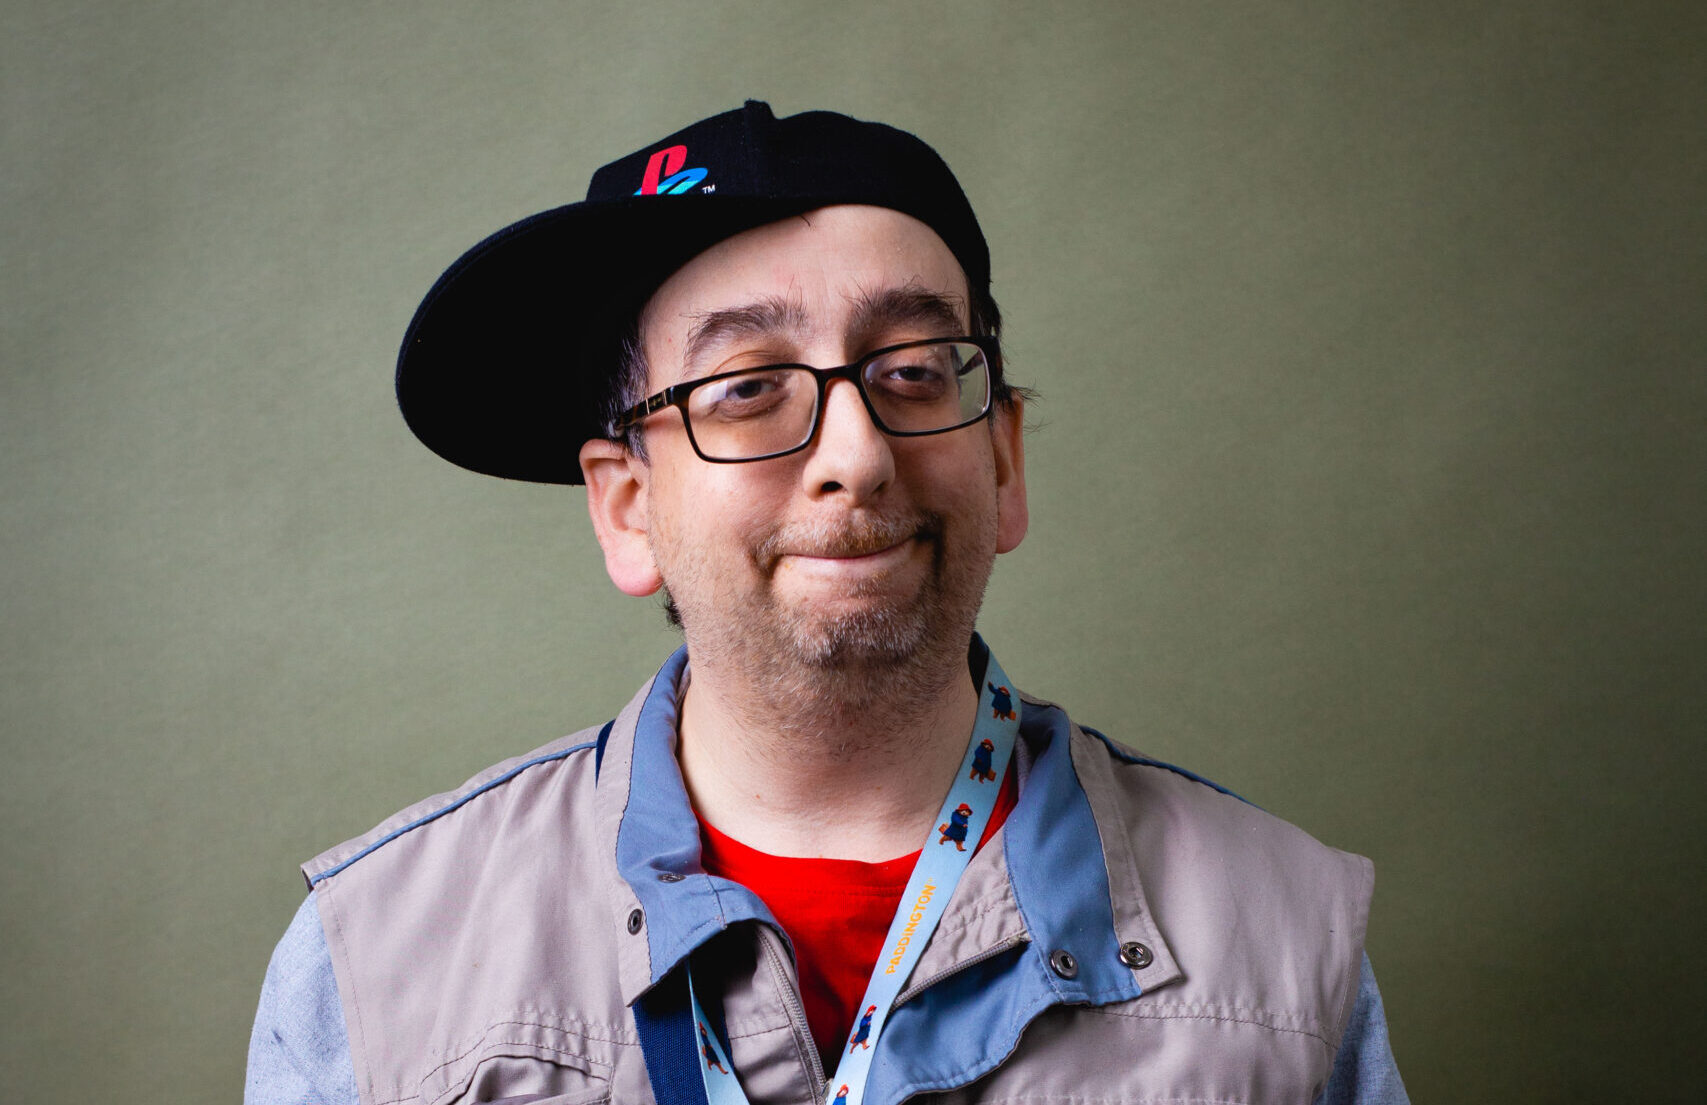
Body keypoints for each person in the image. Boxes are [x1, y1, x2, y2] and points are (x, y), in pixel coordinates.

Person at [246, 101, 1408, 1105]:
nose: (858, 454)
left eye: (912, 372)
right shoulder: (376, 962)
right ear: (628, 507)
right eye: (748, 387)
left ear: (1004, 461)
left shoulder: (1279, 933)